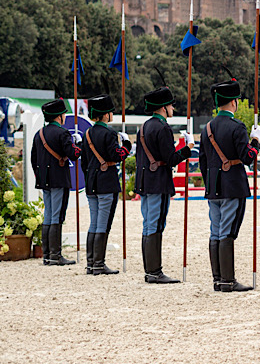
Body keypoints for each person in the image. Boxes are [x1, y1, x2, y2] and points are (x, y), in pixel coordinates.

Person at [199, 75, 260, 292]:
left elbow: (203, 162)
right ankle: (227, 280)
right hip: (232, 185)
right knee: (226, 231)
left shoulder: (207, 128)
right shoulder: (237, 127)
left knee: (215, 231)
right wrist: (256, 141)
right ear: (234, 102)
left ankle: (218, 279)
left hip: (213, 187)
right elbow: (247, 158)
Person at [134, 83, 193, 283]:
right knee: (156, 224)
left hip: (145, 182)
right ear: (163, 107)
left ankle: (150, 270)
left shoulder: (144, 127)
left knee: (148, 224)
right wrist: (188, 148)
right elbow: (170, 159)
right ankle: (154, 272)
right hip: (158, 181)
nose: (172, 109)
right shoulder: (162, 128)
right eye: (170, 105)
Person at [81, 94, 131, 275]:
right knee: (102, 224)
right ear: (105, 115)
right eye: (110, 112)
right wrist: (126, 144)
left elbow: (84, 163)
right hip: (106, 183)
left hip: (91, 182)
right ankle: (98, 264)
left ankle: (91, 263)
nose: (112, 114)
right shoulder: (110, 133)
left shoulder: (87, 133)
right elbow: (117, 155)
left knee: (94, 223)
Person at [31, 99, 82, 266]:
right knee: (57, 216)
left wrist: (41, 176)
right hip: (59, 179)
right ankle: (56, 255)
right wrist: (78, 143)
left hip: (44, 180)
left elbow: (33, 159)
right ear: (59, 116)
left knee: (48, 215)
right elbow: (73, 154)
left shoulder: (39, 134)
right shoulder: (63, 133)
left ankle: (47, 254)